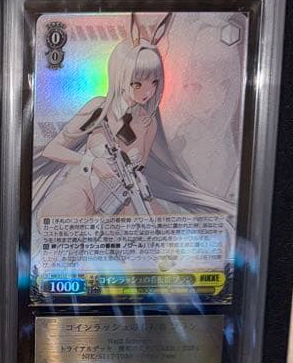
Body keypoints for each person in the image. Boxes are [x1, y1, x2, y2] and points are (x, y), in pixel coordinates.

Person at [34, 13, 236, 222]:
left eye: (154, 82)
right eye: (137, 84)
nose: (147, 91)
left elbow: (140, 169)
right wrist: (92, 162)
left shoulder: (148, 123)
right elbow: (52, 149)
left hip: (119, 198)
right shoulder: (99, 109)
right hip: (84, 187)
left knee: (157, 227)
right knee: (58, 215)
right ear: (120, 76)